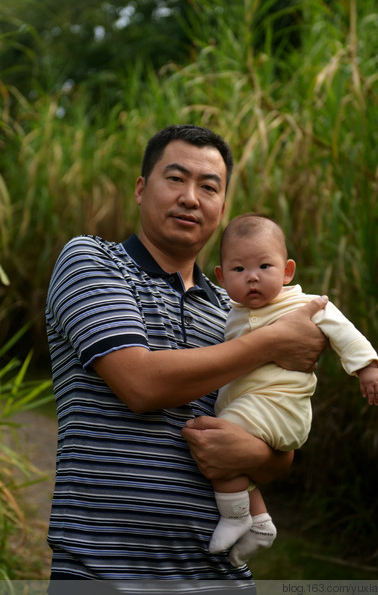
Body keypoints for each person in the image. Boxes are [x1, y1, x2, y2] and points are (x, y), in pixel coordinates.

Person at [45, 125, 328, 591]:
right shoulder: (92, 261)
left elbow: (280, 443)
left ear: (222, 206)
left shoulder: (236, 310)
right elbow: (140, 384)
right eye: (175, 179)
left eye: (209, 186)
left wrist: (256, 453)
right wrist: (274, 341)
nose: (191, 198)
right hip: (102, 571)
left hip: (219, 577)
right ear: (141, 189)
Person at [208, 213, 378, 567]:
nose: (253, 277)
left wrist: (367, 368)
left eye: (264, 266)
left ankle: (235, 516)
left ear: (287, 270)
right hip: (253, 407)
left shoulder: (304, 305)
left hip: (281, 408)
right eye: (239, 270)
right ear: (221, 276)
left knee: (217, 441)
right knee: (222, 445)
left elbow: (344, 331)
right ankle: (260, 523)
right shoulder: (230, 313)